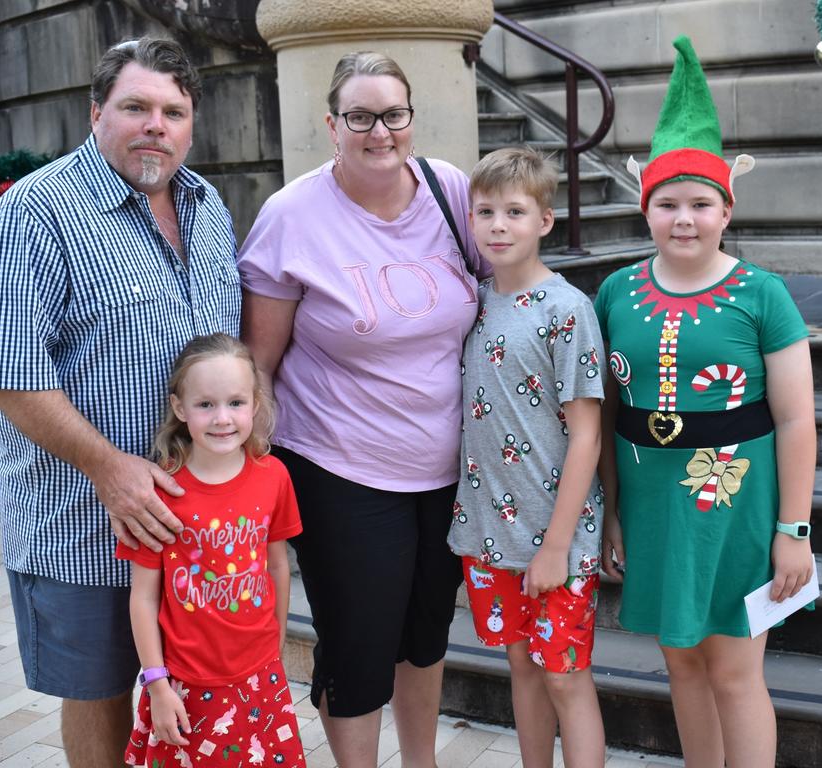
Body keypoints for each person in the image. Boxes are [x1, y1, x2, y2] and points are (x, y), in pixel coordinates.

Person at [0, 37, 242, 768]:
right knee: (101, 693)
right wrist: (109, 468)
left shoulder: (209, 208)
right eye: (136, 107)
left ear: (192, 122)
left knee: (199, 693)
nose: (156, 126)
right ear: (96, 112)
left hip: (194, 522)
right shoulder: (34, 215)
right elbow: (9, 373)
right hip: (82, 522)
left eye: (173, 111)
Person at [237, 51, 484, 768]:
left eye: (394, 115)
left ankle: (422, 762)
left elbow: (503, 290)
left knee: (426, 636)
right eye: (361, 117)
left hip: (445, 469)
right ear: (332, 125)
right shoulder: (292, 215)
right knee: (358, 645)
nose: (380, 132)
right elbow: (260, 364)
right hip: (339, 469)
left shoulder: (451, 191)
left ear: (412, 117)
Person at [595, 37, 816, 768]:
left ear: (728, 209)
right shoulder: (615, 293)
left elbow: (795, 418)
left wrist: (796, 530)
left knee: (733, 670)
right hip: (654, 506)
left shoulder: (763, 295)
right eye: (668, 204)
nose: (683, 218)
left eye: (700, 203)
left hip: (740, 509)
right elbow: (606, 415)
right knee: (682, 664)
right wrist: (612, 514)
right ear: (644, 207)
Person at [447, 147, 606, 768]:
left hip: (555, 536)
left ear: (544, 219)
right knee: (520, 663)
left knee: (565, 673)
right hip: (488, 533)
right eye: (485, 211)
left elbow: (587, 436)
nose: (497, 225)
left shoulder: (567, 310)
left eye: (514, 212)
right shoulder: (472, 302)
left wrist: (557, 545)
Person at [117, 333, 305, 768]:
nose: (222, 418)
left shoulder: (273, 477)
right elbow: (143, 597)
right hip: (185, 684)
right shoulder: (161, 492)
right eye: (205, 405)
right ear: (181, 409)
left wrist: (274, 648)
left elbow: (278, 566)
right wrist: (157, 685)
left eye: (236, 403)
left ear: (255, 405)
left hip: (260, 675)